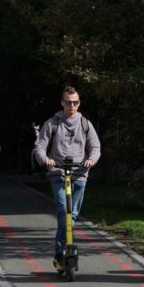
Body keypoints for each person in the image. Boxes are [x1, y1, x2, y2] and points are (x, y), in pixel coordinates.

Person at [34, 86, 101, 268]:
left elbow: (95, 147)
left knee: (73, 215)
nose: (72, 105)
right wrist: (46, 160)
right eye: (68, 102)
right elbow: (40, 146)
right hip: (58, 173)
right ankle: (59, 252)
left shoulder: (85, 124)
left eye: (75, 102)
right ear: (62, 103)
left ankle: (64, 252)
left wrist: (91, 160)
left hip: (79, 174)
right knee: (64, 212)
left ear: (79, 103)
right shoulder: (52, 123)